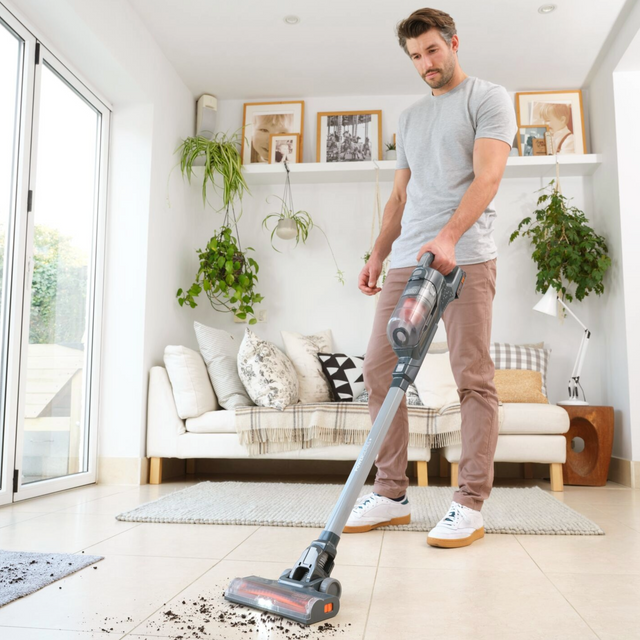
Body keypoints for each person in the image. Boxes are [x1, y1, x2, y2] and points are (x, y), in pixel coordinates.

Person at [349, 7, 517, 548]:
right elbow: (400, 195)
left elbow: (488, 177)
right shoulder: (410, 118)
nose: (426, 63)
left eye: (433, 50)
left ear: (453, 43)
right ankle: (392, 493)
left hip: (465, 256)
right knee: (378, 371)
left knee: (473, 375)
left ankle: (469, 503)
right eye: (416, 56)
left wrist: (447, 237)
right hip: (406, 260)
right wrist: (378, 253)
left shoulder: (488, 98)